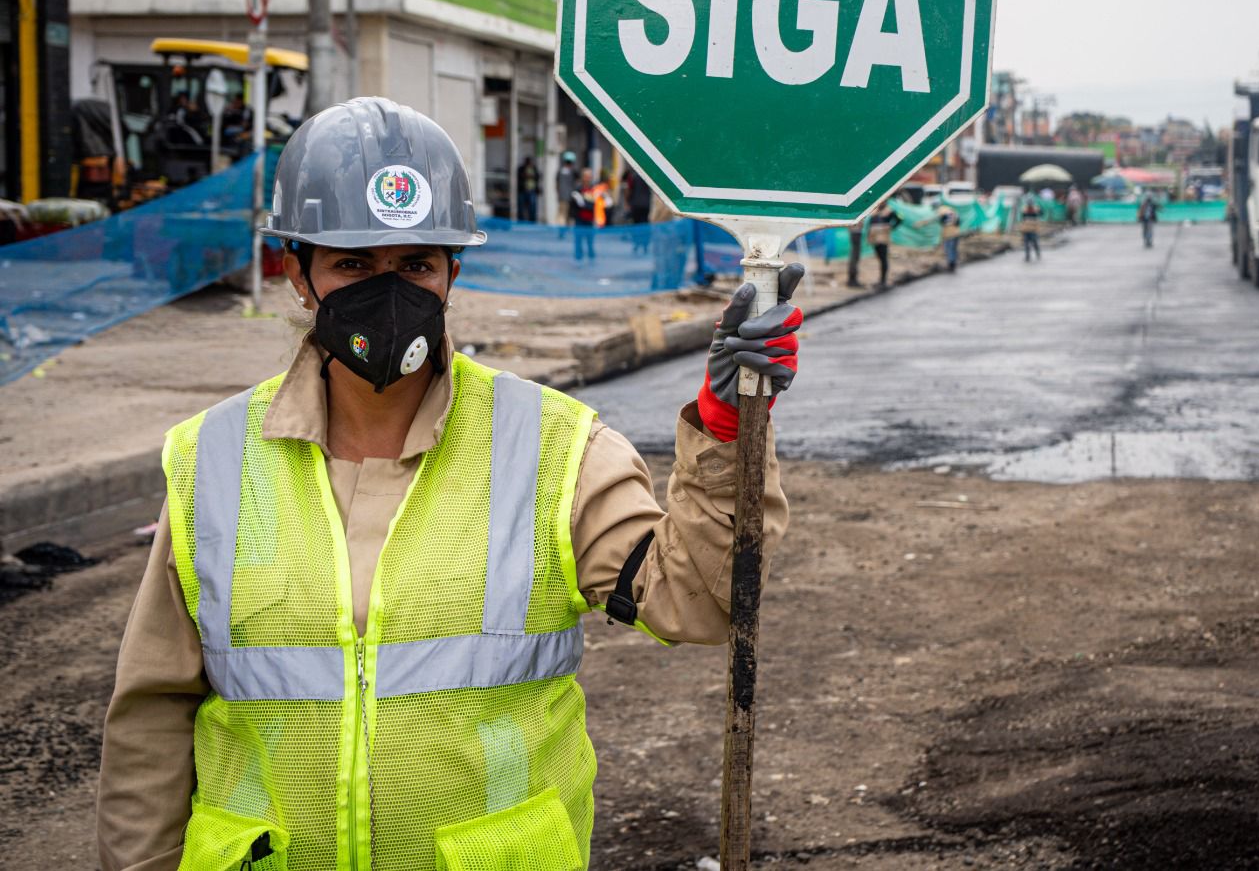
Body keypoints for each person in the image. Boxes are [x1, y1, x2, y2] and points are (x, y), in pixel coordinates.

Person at [95, 97, 805, 871]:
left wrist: (725, 433)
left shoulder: (551, 445)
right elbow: (152, 718)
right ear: (297, 272)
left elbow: (700, 600)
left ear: (452, 272)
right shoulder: (213, 458)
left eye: (415, 265)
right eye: (353, 264)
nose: (387, 291)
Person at [570, 169, 608, 262]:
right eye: (585, 176)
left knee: (590, 240)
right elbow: (573, 204)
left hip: (590, 219)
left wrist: (586, 203)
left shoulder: (594, 189)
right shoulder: (578, 189)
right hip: (579, 218)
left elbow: (597, 203)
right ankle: (578, 257)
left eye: (589, 176)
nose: (587, 178)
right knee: (578, 240)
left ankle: (591, 258)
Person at [866, 200, 901, 287]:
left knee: (883, 258)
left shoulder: (889, 211)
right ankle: (881, 280)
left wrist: (891, 226)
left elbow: (900, 218)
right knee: (879, 257)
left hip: (883, 236)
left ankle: (883, 280)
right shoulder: (875, 210)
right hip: (874, 236)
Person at [1018, 192, 1044, 262]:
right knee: (1027, 243)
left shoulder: (1035, 208)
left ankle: (1036, 253)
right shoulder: (1024, 209)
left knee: (1033, 242)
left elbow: (1041, 213)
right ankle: (1028, 256)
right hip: (1027, 228)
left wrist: (1038, 210)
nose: (1029, 204)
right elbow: (1022, 217)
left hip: (1032, 228)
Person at [938, 202, 962, 272]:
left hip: (948, 235)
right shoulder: (955, 214)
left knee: (949, 249)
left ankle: (951, 264)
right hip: (956, 233)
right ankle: (954, 262)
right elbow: (958, 223)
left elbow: (942, 223)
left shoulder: (943, 215)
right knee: (954, 249)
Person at [557, 152, 579, 227]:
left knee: (562, 214)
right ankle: (568, 229)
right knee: (570, 215)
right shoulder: (573, 171)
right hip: (571, 196)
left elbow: (557, 184)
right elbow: (577, 182)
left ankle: (561, 230)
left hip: (562, 196)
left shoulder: (560, 171)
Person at [516, 155, 540, 223]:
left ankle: (532, 220)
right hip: (523, 190)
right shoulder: (521, 168)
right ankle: (521, 220)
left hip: (532, 190)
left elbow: (537, 177)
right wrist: (526, 175)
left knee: (532, 207)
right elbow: (520, 176)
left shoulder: (534, 168)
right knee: (521, 207)